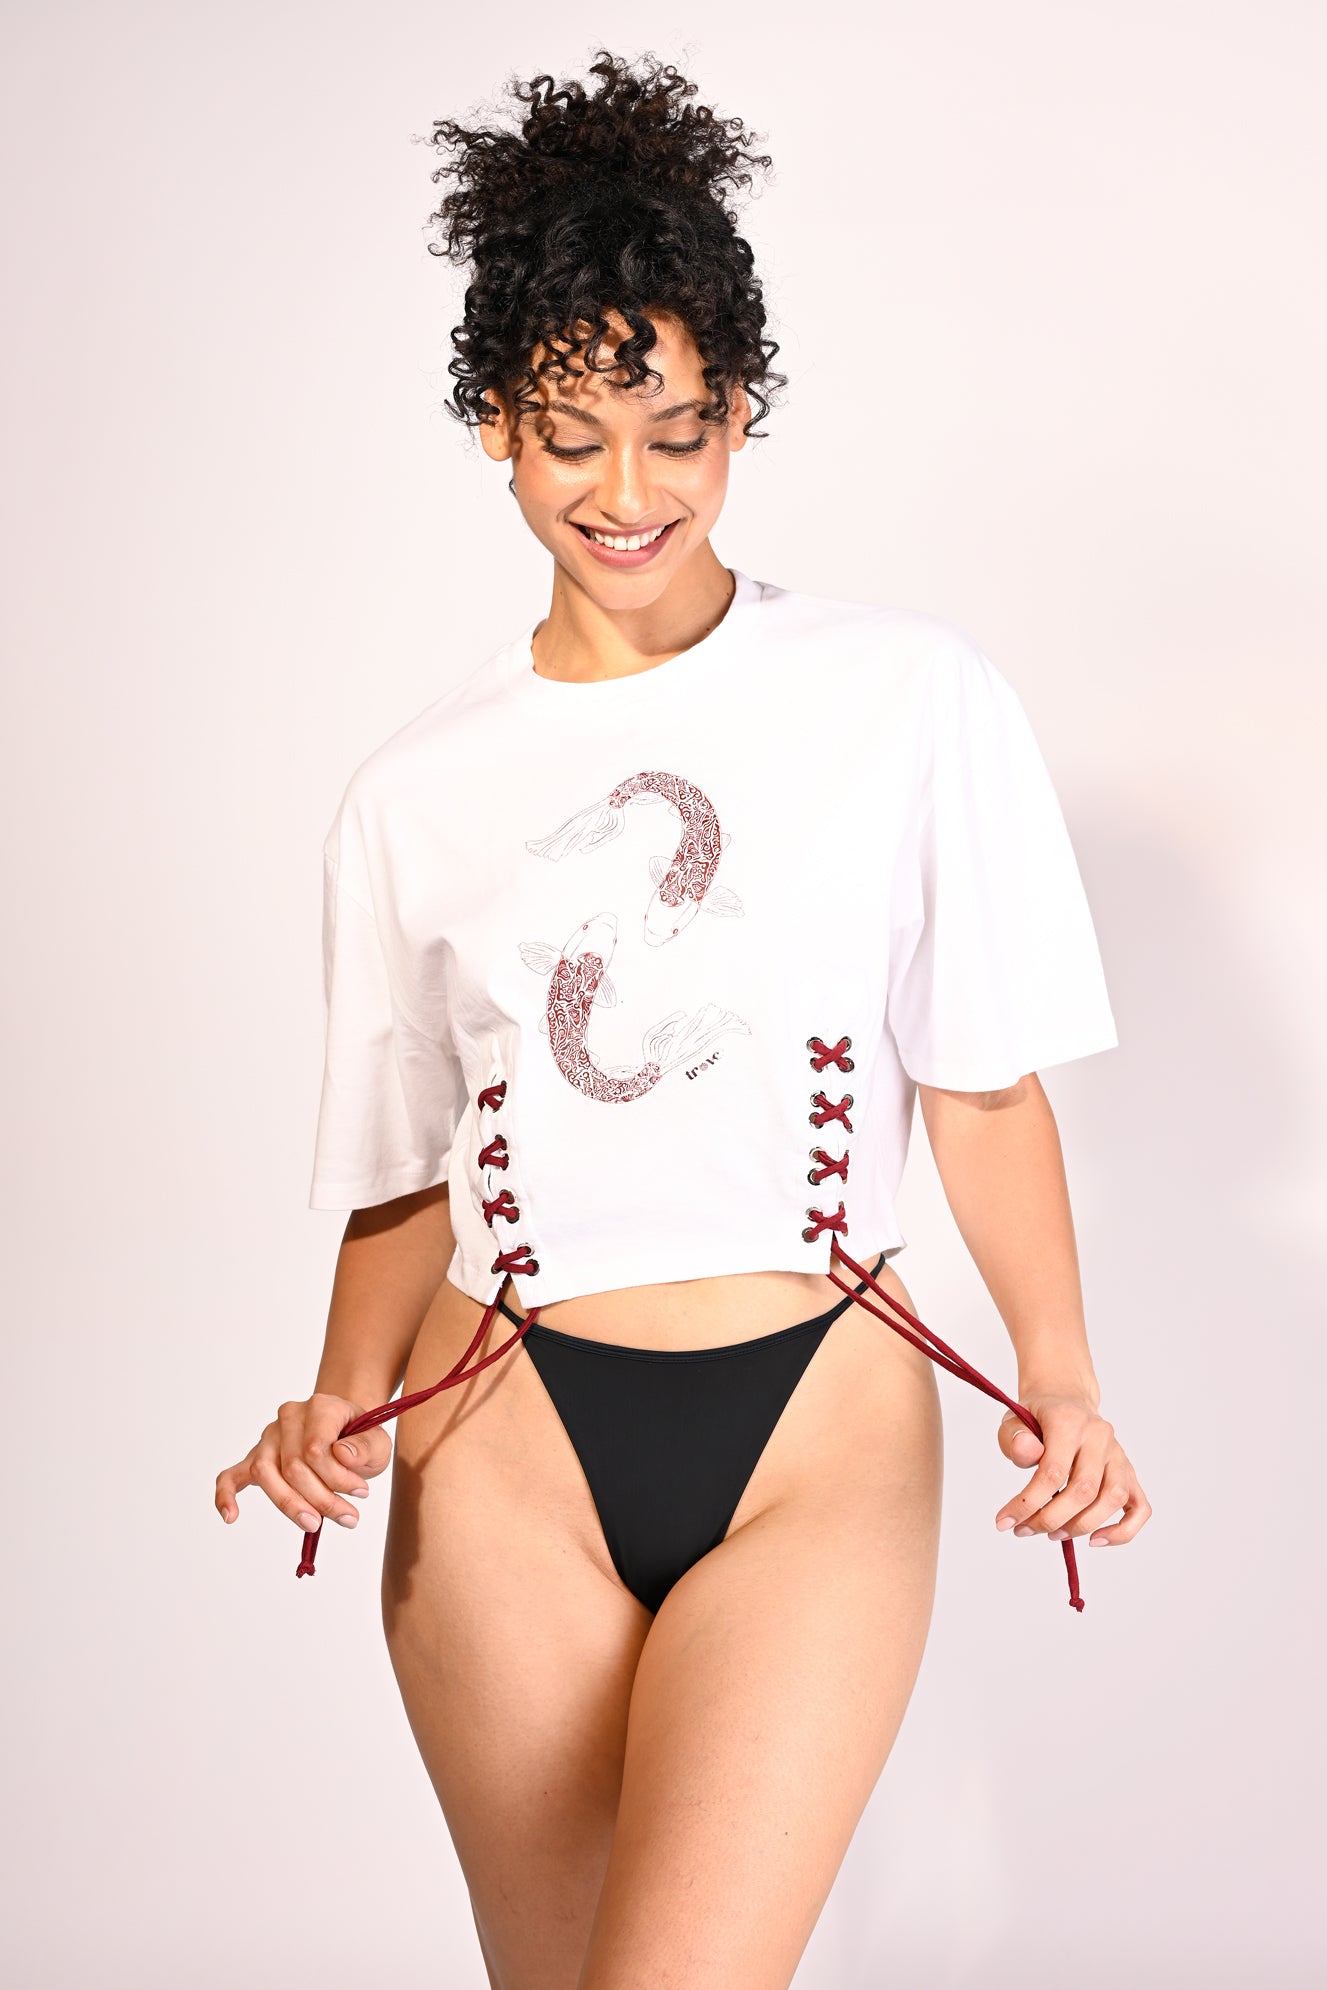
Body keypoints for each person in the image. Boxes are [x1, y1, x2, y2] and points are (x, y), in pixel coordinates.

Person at [215, 49, 1151, 1990]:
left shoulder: (905, 695)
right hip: (500, 1434)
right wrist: (332, 1395)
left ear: (740, 413)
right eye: (571, 437)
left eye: (677, 429)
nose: (626, 493)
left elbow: (979, 1080)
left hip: (817, 1416)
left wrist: (1061, 1370)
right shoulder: (412, 790)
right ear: (496, 422)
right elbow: (405, 1171)